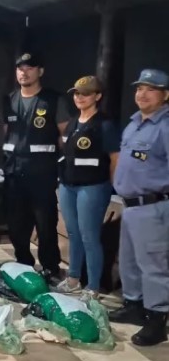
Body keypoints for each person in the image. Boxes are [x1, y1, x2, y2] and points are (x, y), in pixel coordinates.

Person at [109, 68, 169, 347]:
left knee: (153, 265)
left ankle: (157, 318)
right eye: (139, 88)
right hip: (130, 205)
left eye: (151, 89)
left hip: (153, 206)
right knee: (129, 260)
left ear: (165, 95)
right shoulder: (134, 124)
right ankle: (133, 305)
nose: (142, 94)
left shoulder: (165, 127)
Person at [1, 52, 70, 279]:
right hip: (14, 173)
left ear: (40, 71)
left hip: (42, 174)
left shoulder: (53, 100)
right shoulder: (9, 100)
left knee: (45, 223)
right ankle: (23, 264)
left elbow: (64, 135)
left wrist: (62, 165)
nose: (24, 72)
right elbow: (7, 134)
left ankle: (50, 267)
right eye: (20, 68)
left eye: (29, 68)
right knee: (16, 224)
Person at [54, 76, 119, 301]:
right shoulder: (73, 121)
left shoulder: (105, 124)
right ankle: (73, 278)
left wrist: (110, 185)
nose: (79, 97)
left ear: (97, 96)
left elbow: (115, 158)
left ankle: (92, 287)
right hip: (68, 186)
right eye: (76, 93)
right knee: (74, 233)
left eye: (85, 93)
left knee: (89, 236)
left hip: (92, 187)